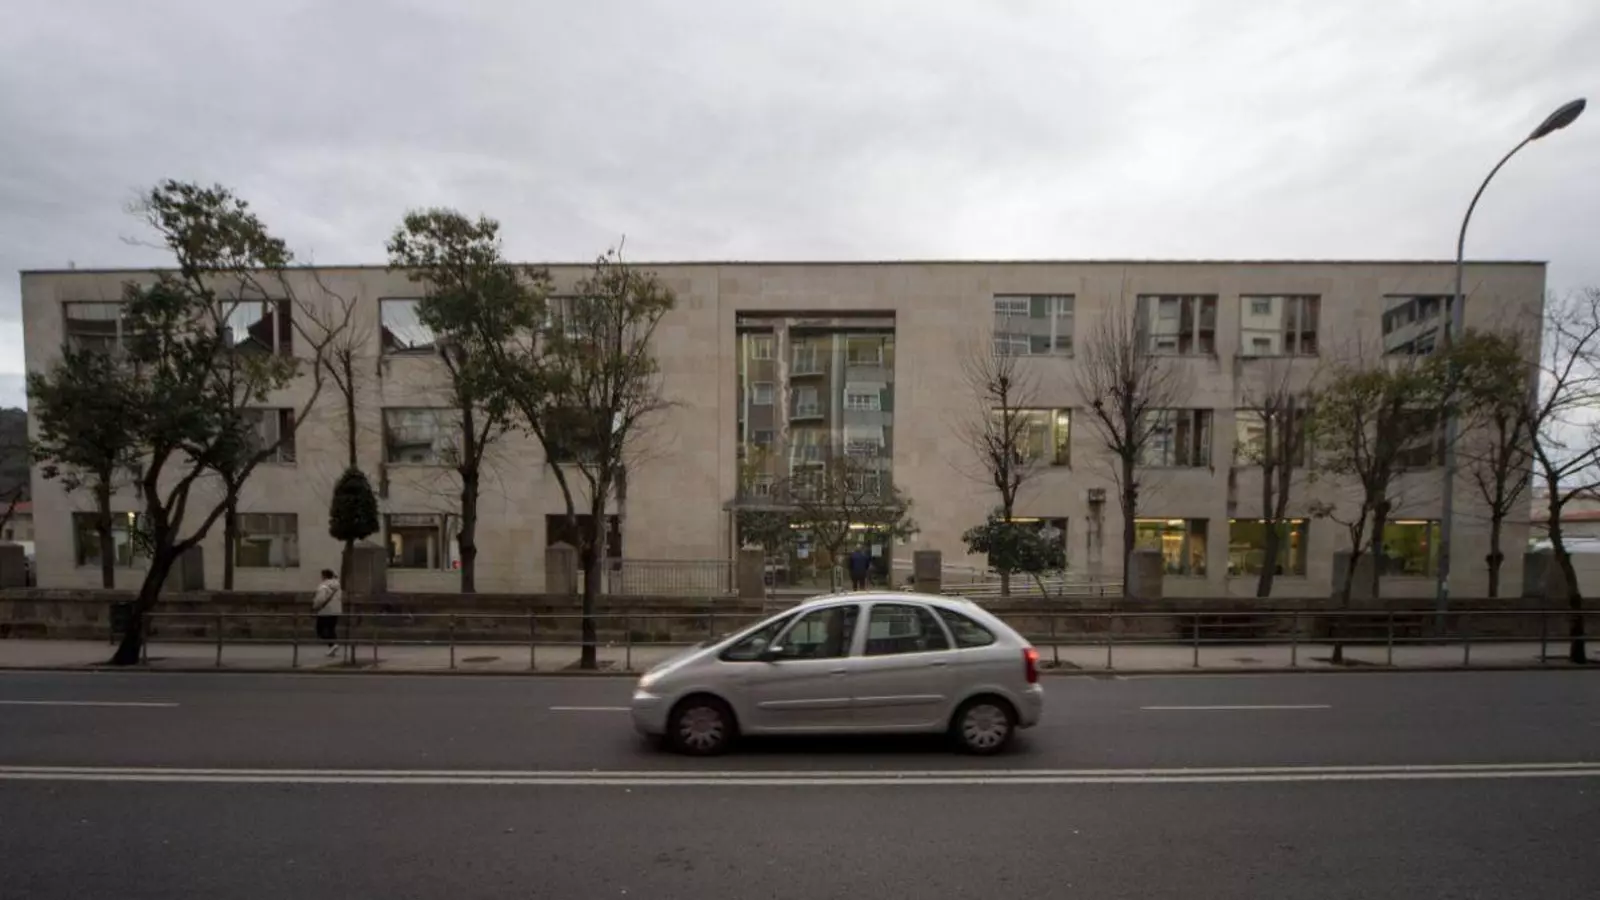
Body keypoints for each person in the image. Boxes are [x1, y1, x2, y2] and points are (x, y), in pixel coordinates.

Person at [312, 568, 344, 658]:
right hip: (336, 610)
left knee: (320, 629)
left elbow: (320, 599)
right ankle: (333, 646)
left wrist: (315, 606)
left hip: (325, 610)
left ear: (324, 576)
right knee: (331, 628)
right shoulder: (337, 585)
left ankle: (333, 644)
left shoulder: (323, 585)